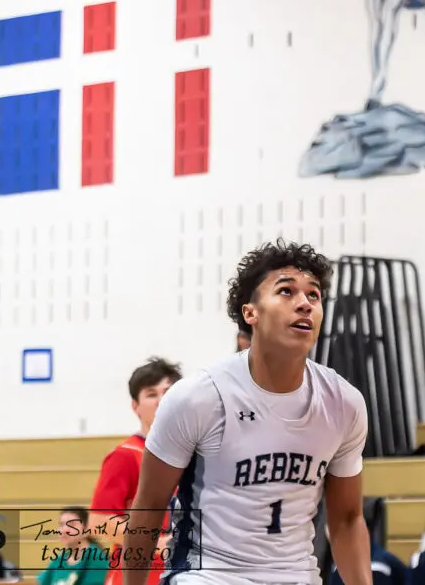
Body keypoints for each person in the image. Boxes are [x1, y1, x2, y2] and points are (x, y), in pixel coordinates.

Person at [121, 240, 372, 585]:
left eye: (313, 296)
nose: (304, 304)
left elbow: (346, 520)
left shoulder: (344, 402)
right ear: (250, 313)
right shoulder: (198, 397)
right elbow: (147, 509)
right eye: (286, 291)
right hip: (207, 576)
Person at [90, 357, 183, 585]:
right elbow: (98, 521)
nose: (161, 400)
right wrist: (157, 543)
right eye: (151, 394)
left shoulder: (194, 457)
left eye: (168, 392)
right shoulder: (125, 454)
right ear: (135, 406)